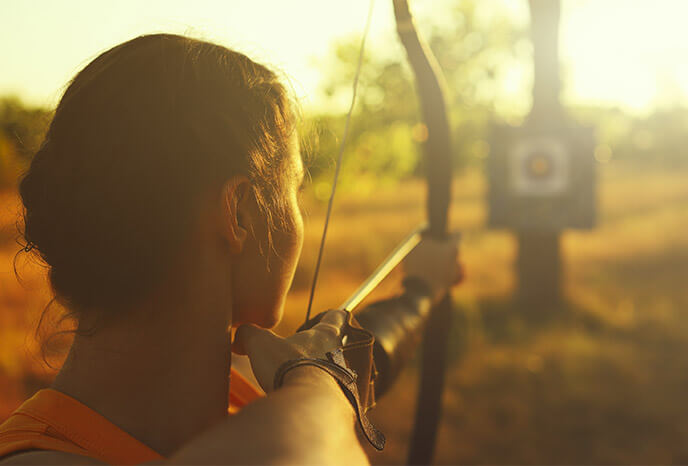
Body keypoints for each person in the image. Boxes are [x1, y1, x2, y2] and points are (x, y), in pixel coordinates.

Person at [0, 34, 459, 465]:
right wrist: (320, 383)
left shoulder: (258, 405)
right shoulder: (37, 459)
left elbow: (365, 362)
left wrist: (419, 292)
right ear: (239, 212)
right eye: (294, 191)